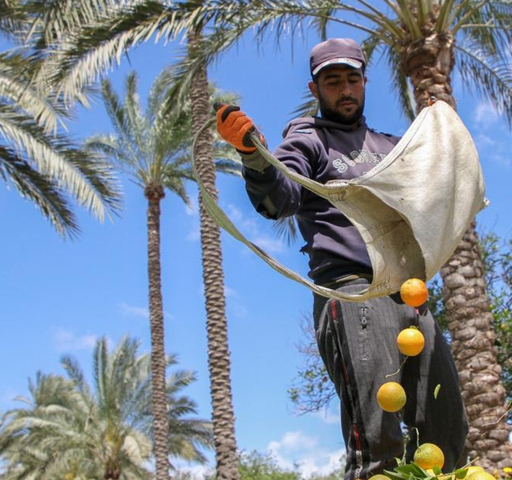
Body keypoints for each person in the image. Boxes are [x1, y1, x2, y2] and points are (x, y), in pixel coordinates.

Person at [215, 38, 469, 480]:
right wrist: (254, 156)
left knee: (447, 432)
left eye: (352, 79)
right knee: (377, 436)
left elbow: (432, 197)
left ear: (365, 82)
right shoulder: (308, 139)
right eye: (333, 81)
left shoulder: (393, 145)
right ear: (315, 90)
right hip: (353, 291)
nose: (345, 89)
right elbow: (280, 199)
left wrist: (439, 131)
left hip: (409, 292)